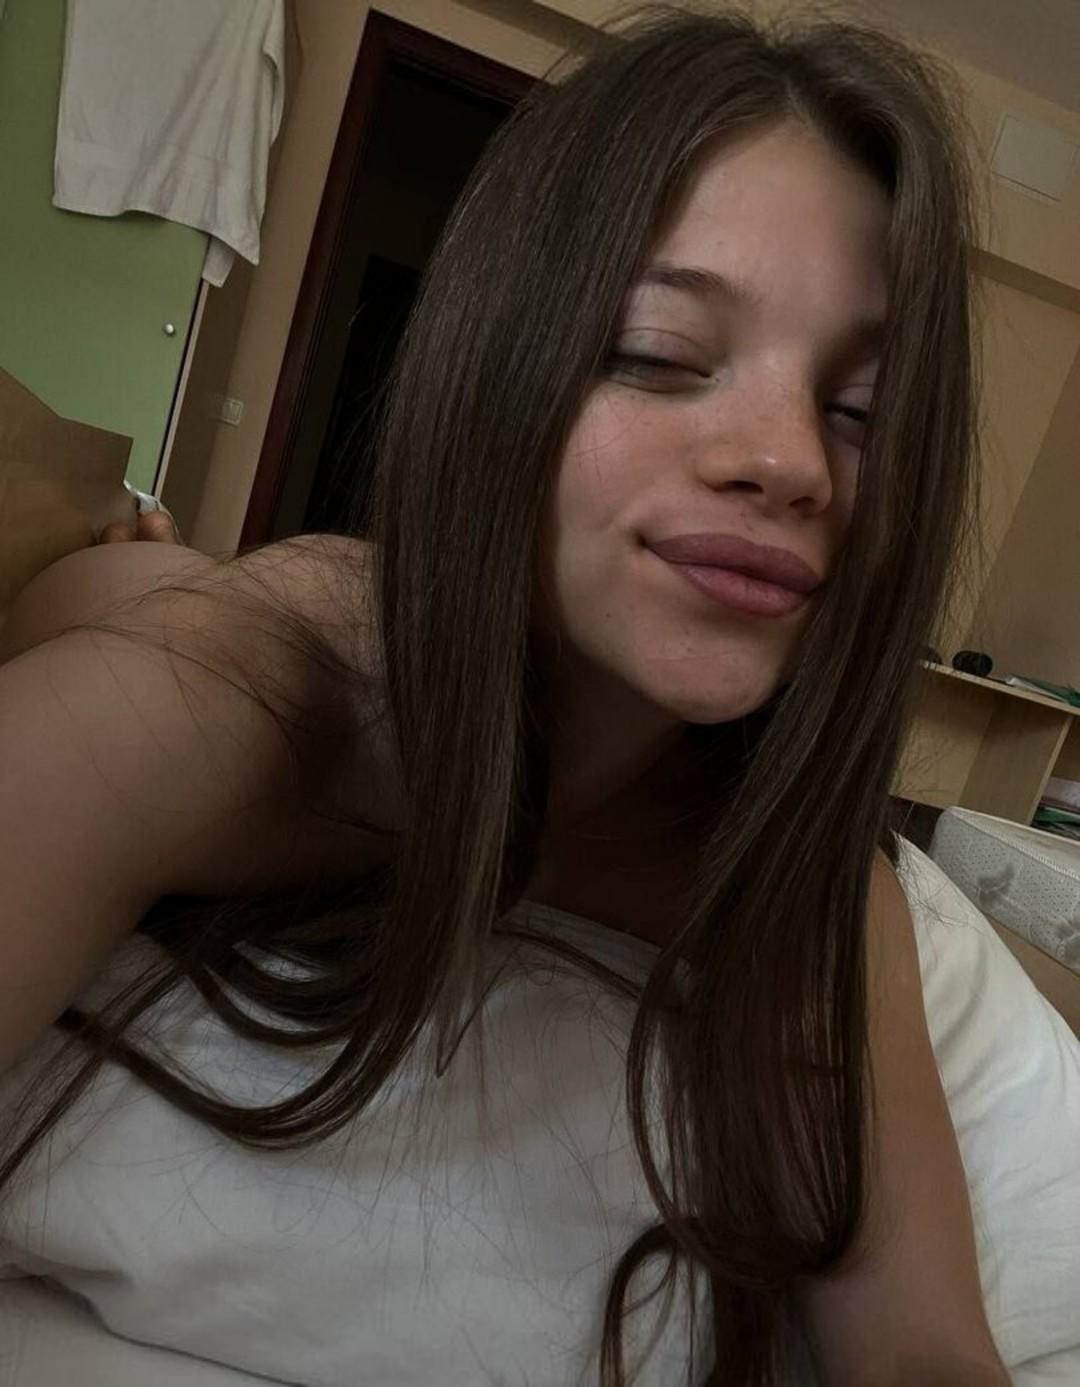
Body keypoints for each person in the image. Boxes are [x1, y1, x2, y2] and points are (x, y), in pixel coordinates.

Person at [0, 6, 1010, 1384]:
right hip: (136, 591)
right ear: (494, 371)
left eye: (862, 411)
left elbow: (925, 1351)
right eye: (660, 351)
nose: (790, 462)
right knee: (123, 560)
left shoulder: (802, 888)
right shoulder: (229, 699)